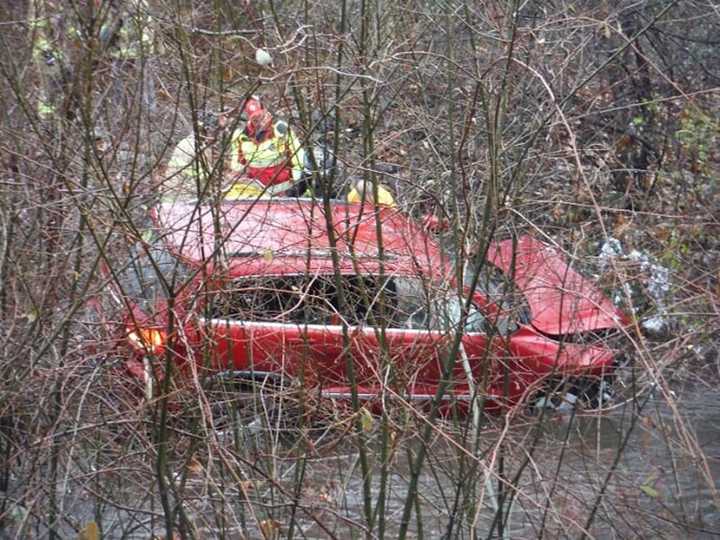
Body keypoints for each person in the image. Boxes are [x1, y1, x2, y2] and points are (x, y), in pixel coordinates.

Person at [229, 106, 306, 196]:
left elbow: (298, 156)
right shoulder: (241, 135)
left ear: (267, 114)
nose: (260, 123)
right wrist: (237, 177)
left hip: (281, 185)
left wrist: (295, 181)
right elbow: (237, 164)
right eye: (255, 120)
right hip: (255, 185)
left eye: (262, 118)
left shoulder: (281, 130)